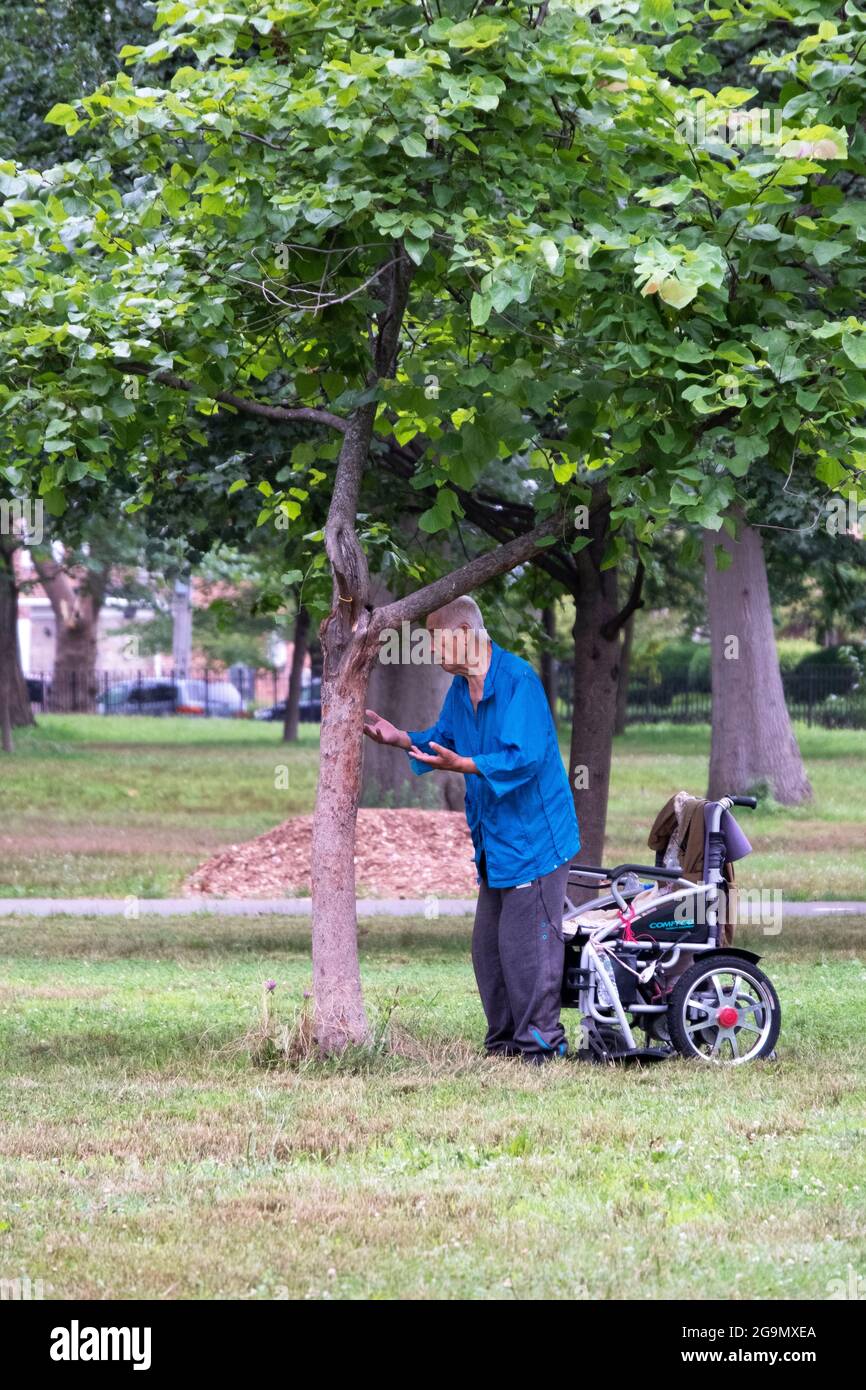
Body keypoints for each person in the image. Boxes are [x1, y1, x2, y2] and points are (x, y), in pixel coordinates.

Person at [363, 596, 580, 1063]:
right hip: (495, 843)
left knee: (528, 951)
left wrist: (463, 764)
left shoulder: (519, 680)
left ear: (463, 636)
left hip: (535, 841)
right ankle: (503, 1045)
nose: (430, 650)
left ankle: (542, 1046)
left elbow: (526, 758)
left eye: (434, 640)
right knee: (489, 950)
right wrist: (400, 737)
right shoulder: (462, 691)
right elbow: (447, 740)